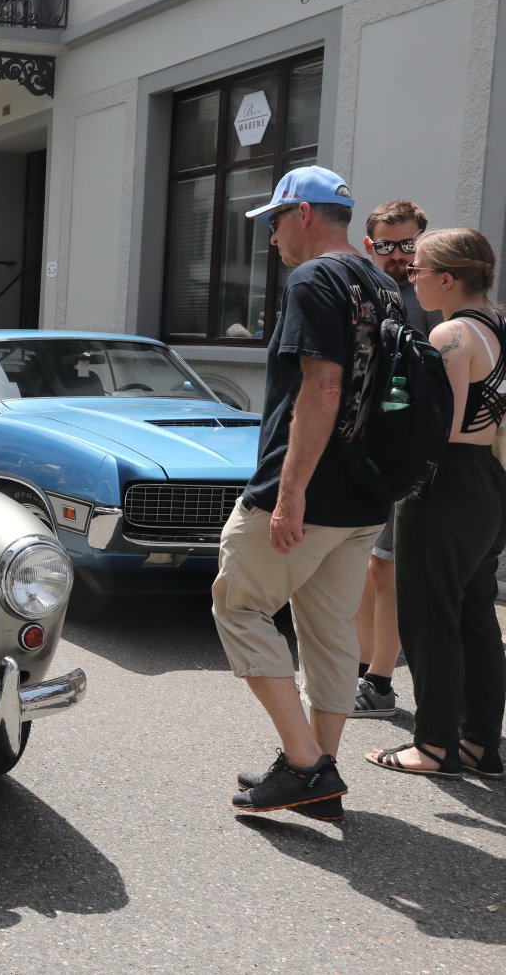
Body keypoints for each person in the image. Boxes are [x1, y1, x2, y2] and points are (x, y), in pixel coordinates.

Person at [213, 167, 399, 821]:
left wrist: (289, 493)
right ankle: (321, 772)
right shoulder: (383, 284)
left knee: (238, 605)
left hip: (311, 494)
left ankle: (303, 764)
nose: (271, 238)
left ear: (303, 215)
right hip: (366, 496)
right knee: (328, 632)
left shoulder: (314, 279)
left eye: (274, 222)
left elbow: (323, 387)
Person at [366, 229, 506, 779]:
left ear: (447, 279)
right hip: (488, 479)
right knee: (475, 613)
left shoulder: (452, 333)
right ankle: (480, 744)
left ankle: (434, 746)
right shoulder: (498, 324)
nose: (410, 276)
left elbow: (440, 426)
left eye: (417, 269)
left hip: (443, 481)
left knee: (430, 616)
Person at [348, 200, 442, 717]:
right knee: (368, 565)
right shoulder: (369, 288)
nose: (400, 254)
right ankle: (365, 670)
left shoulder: (431, 297)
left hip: (411, 451)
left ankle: (381, 682)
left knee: (387, 568)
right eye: (388, 244)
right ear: (371, 245)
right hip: (371, 447)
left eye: (409, 243)